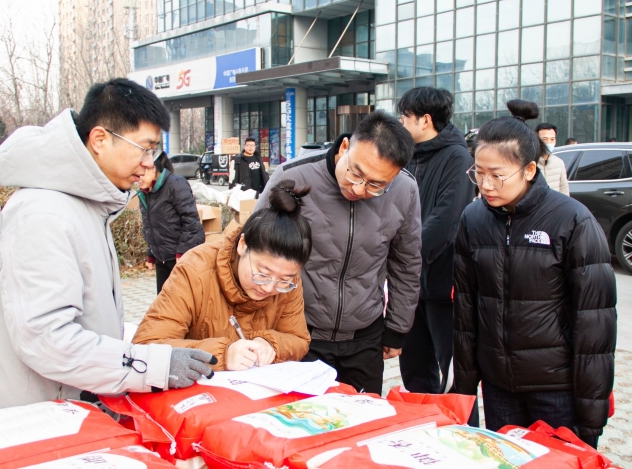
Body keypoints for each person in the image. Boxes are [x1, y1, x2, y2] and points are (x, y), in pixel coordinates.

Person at [0, 78, 217, 415]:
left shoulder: (88, 204)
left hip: (61, 410)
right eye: (145, 147)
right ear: (99, 139)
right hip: (24, 422)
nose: (149, 162)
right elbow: (48, 340)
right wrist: (152, 365)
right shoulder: (45, 214)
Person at [453, 100, 616, 449]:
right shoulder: (472, 219)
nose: (486, 184)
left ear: (529, 170)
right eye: (478, 173)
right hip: (498, 387)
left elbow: (595, 324)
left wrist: (591, 414)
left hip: (556, 388)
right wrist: (464, 390)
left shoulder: (572, 220)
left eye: (497, 175)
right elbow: (466, 311)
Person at [254, 111, 422, 394]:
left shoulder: (405, 190)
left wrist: (398, 327)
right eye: (356, 172)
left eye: (375, 185)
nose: (359, 188)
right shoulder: (294, 176)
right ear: (345, 147)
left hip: (365, 336)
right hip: (298, 332)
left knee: (362, 425)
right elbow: (254, 249)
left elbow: (407, 263)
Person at [133, 180, 312, 370]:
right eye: (262, 274)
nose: (269, 287)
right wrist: (222, 354)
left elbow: (298, 339)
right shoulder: (195, 269)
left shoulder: (286, 280)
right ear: (243, 245)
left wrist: (270, 343)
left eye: (284, 281)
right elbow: (145, 347)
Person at [395, 87, 475, 398]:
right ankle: (422, 427)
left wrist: (404, 259)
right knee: (414, 369)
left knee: (454, 374)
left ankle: (463, 435)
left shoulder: (457, 158)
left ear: (425, 120)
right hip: (409, 287)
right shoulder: (408, 156)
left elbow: (445, 221)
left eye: (405, 118)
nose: (401, 124)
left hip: (443, 284)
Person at [138, 152, 205, 293]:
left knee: (182, 303)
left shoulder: (175, 183)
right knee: (164, 303)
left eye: (141, 173)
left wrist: (182, 252)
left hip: (180, 257)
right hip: (162, 257)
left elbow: (191, 221)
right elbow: (151, 226)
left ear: (154, 168)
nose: (138, 178)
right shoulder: (145, 192)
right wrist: (151, 253)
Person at [534, 123, 570, 196]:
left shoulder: (559, 163)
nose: (549, 143)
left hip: (554, 205)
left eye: (552, 139)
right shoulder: (528, 162)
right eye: (545, 139)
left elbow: (564, 189)